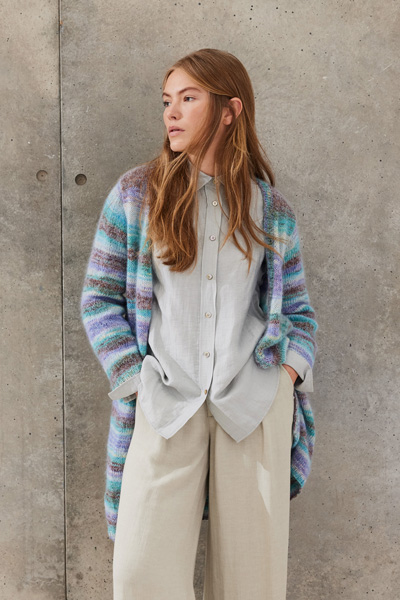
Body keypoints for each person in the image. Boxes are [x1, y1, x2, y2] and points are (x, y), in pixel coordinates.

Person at [80, 48, 318, 600]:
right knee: (141, 577)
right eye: (167, 100)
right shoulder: (137, 196)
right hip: (164, 402)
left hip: (252, 407)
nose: (172, 112)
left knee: (251, 585)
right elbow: (99, 297)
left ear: (230, 110)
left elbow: (299, 313)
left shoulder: (271, 210)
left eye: (189, 98)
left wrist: (284, 377)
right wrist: (134, 380)